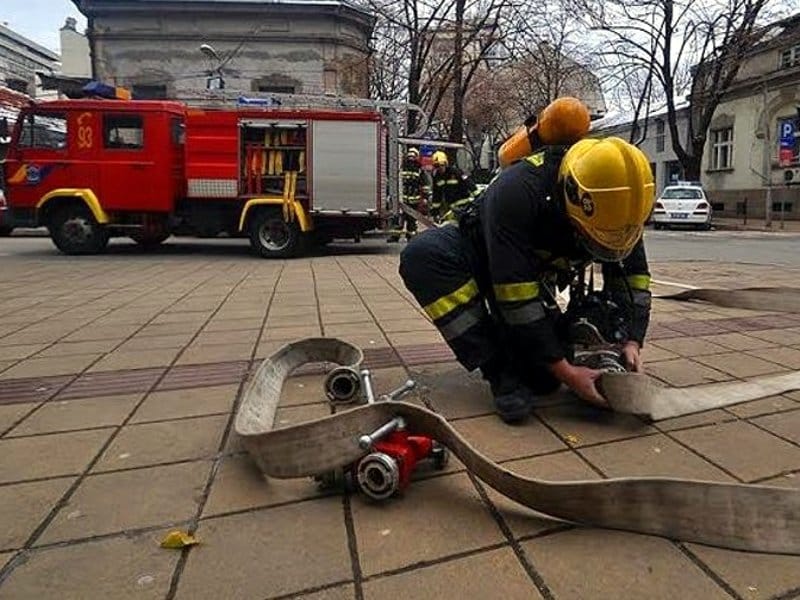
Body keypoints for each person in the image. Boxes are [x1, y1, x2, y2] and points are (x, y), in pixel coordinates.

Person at [399, 137, 655, 424]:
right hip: (479, 253)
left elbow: (634, 279)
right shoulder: (517, 190)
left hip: (531, 270)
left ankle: (524, 354)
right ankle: (498, 370)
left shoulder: (620, 201)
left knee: (542, 381)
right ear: (572, 195)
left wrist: (632, 340)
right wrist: (568, 373)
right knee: (421, 256)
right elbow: (515, 295)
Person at [389, 147, 428, 242]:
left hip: (410, 198)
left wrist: (426, 197)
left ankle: (409, 236)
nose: (411, 158)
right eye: (410, 156)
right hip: (403, 198)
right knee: (399, 218)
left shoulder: (418, 169)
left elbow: (424, 184)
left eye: (412, 156)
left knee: (410, 219)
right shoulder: (403, 167)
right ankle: (397, 236)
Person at [430, 150, 477, 222]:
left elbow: (468, 183)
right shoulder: (437, 177)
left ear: (446, 164)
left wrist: (478, 196)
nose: (440, 168)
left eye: (442, 165)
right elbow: (436, 195)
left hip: (463, 204)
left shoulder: (455, 172)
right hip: (451, 208)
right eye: (437, 166)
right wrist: (435, 212)